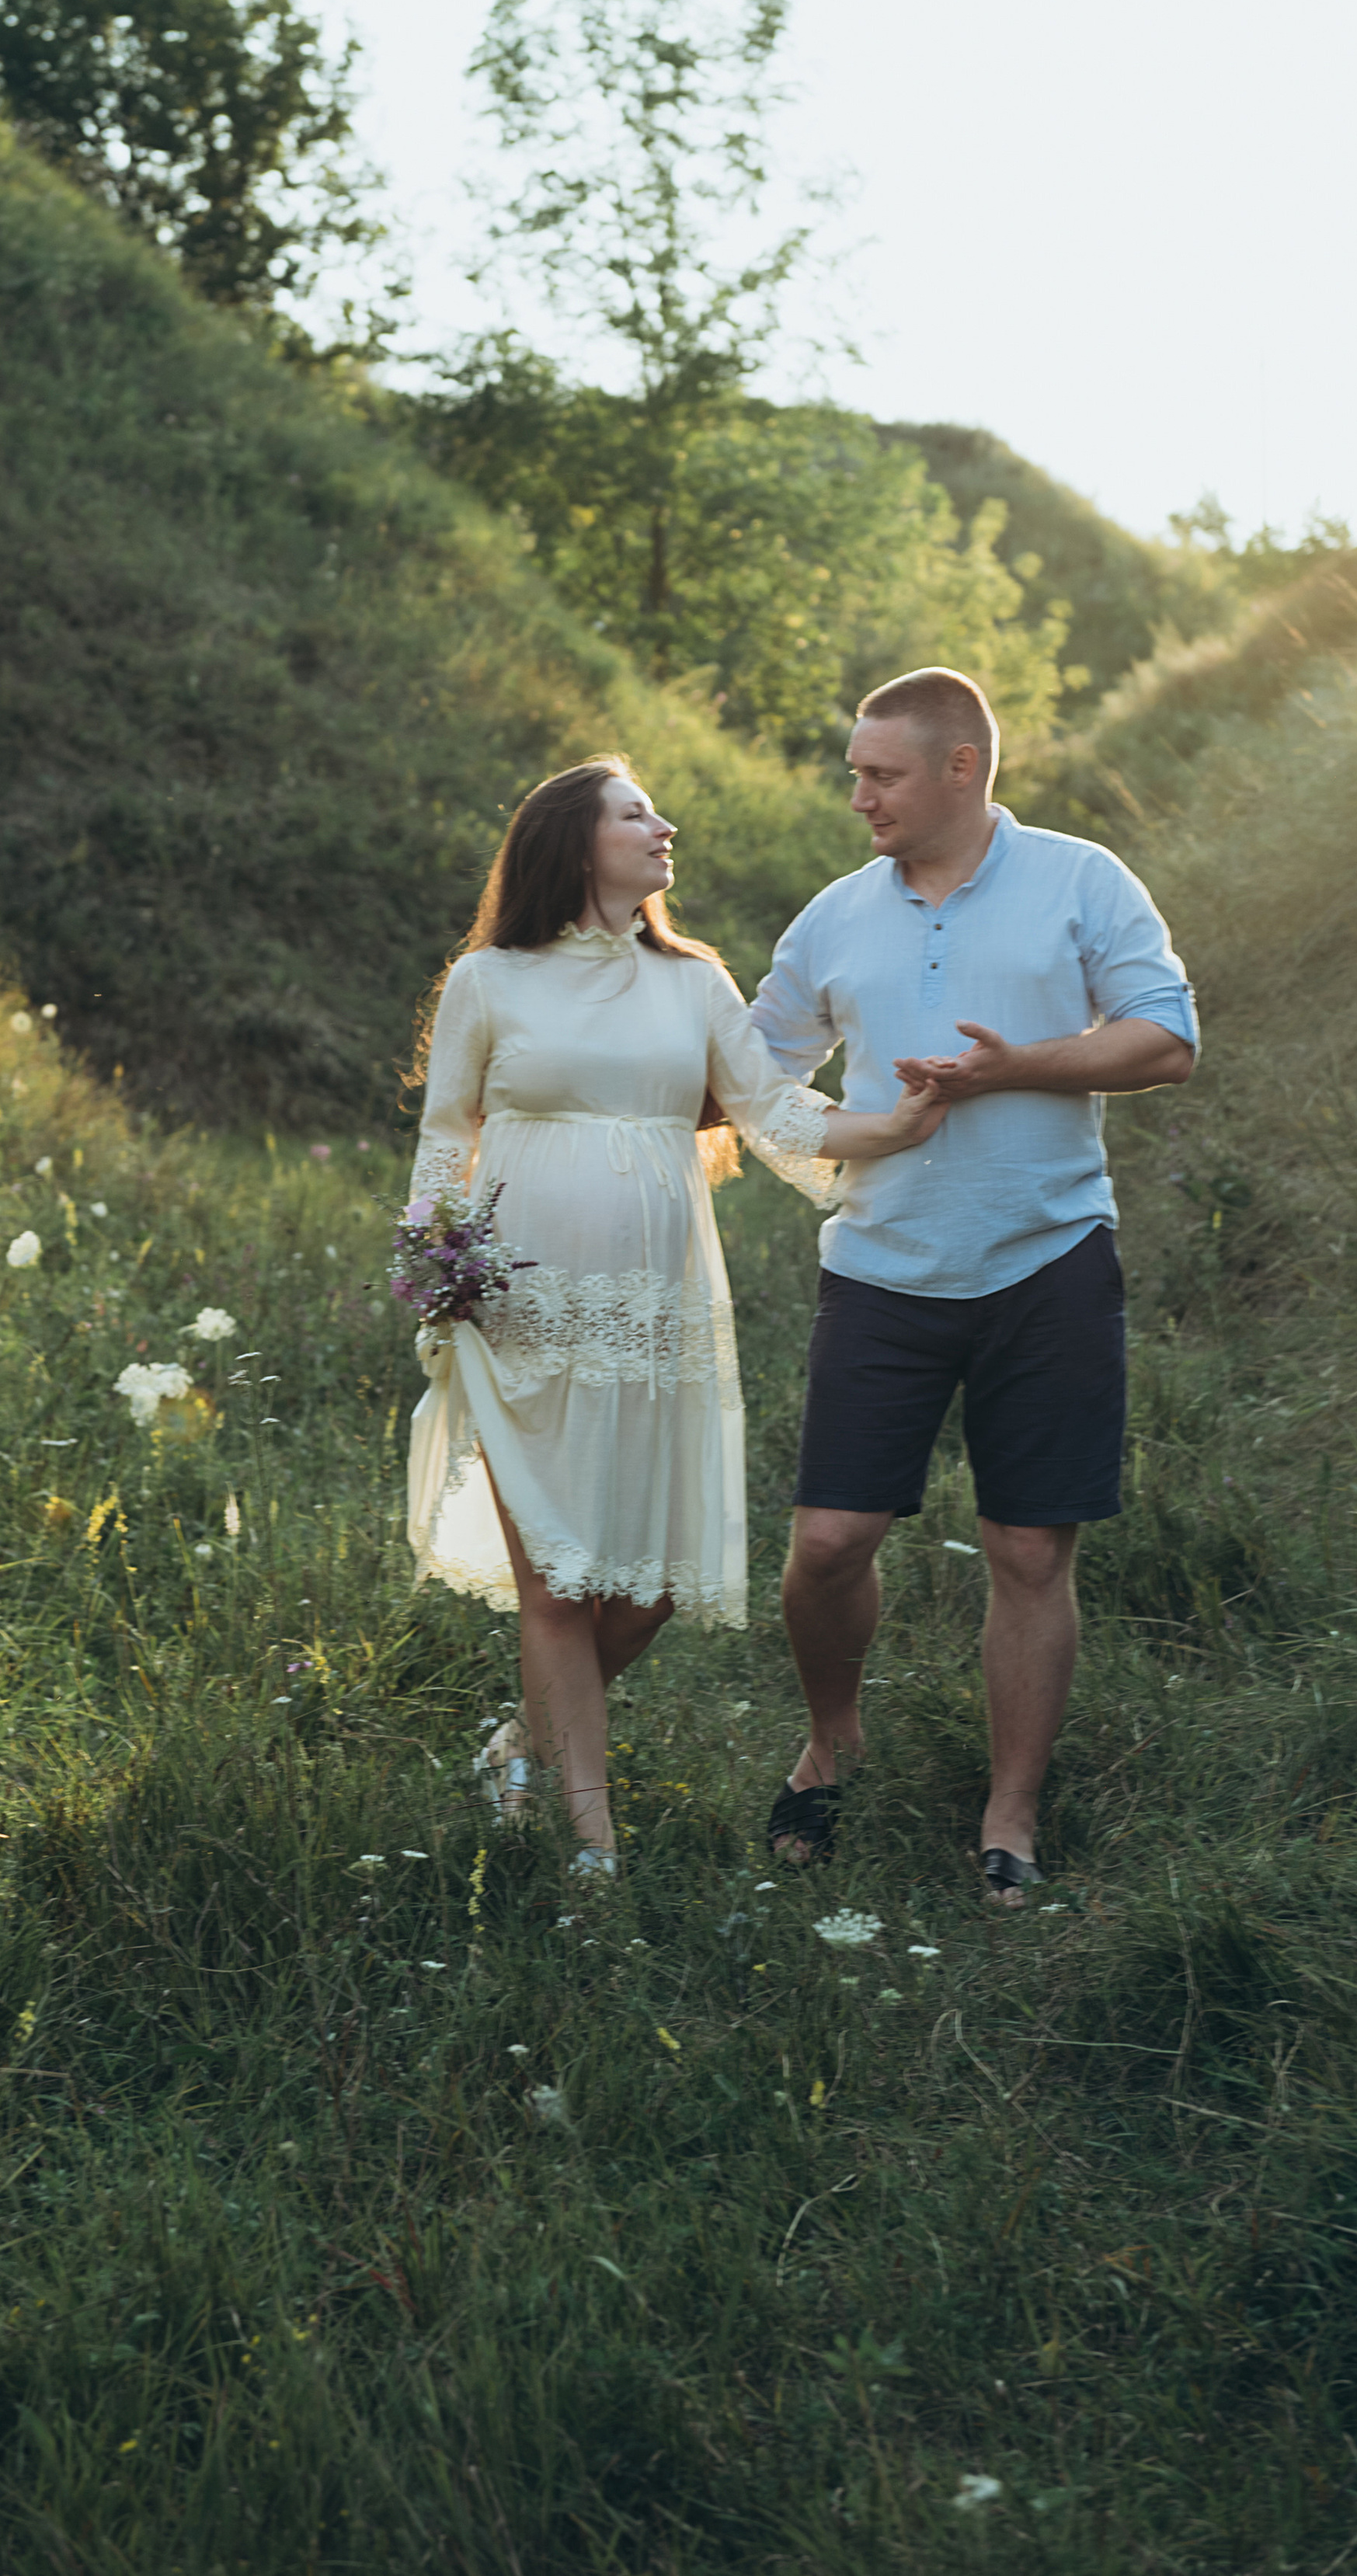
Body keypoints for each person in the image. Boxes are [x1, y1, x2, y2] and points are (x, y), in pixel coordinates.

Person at [403, 756, 945, 1878]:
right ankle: (592, 1850)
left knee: (644, 1590)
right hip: (519, 1311)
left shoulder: (693, 980)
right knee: (558, 1582)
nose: (665, 828)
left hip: (657, 1314)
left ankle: (521, 1744)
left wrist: (889, 1130)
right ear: (573, 841)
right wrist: (436, 1264)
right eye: (636, 813)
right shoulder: (488, 981)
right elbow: (446, 1133)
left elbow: (772, 1109)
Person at [750, 667, 1197, 1903]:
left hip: (1048, 1261)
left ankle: (1010, 1815)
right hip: (882, 1269)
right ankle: (832, 1742)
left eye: (880, 774)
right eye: (855, 773)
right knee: (829, 1542)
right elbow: (752, 1076)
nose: (859, 797)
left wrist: (1017, 1069)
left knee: (1028, 1548)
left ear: (962, 768)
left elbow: (1166, 1037)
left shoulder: (1081, 880)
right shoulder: (835, 916)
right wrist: (856, 1133)